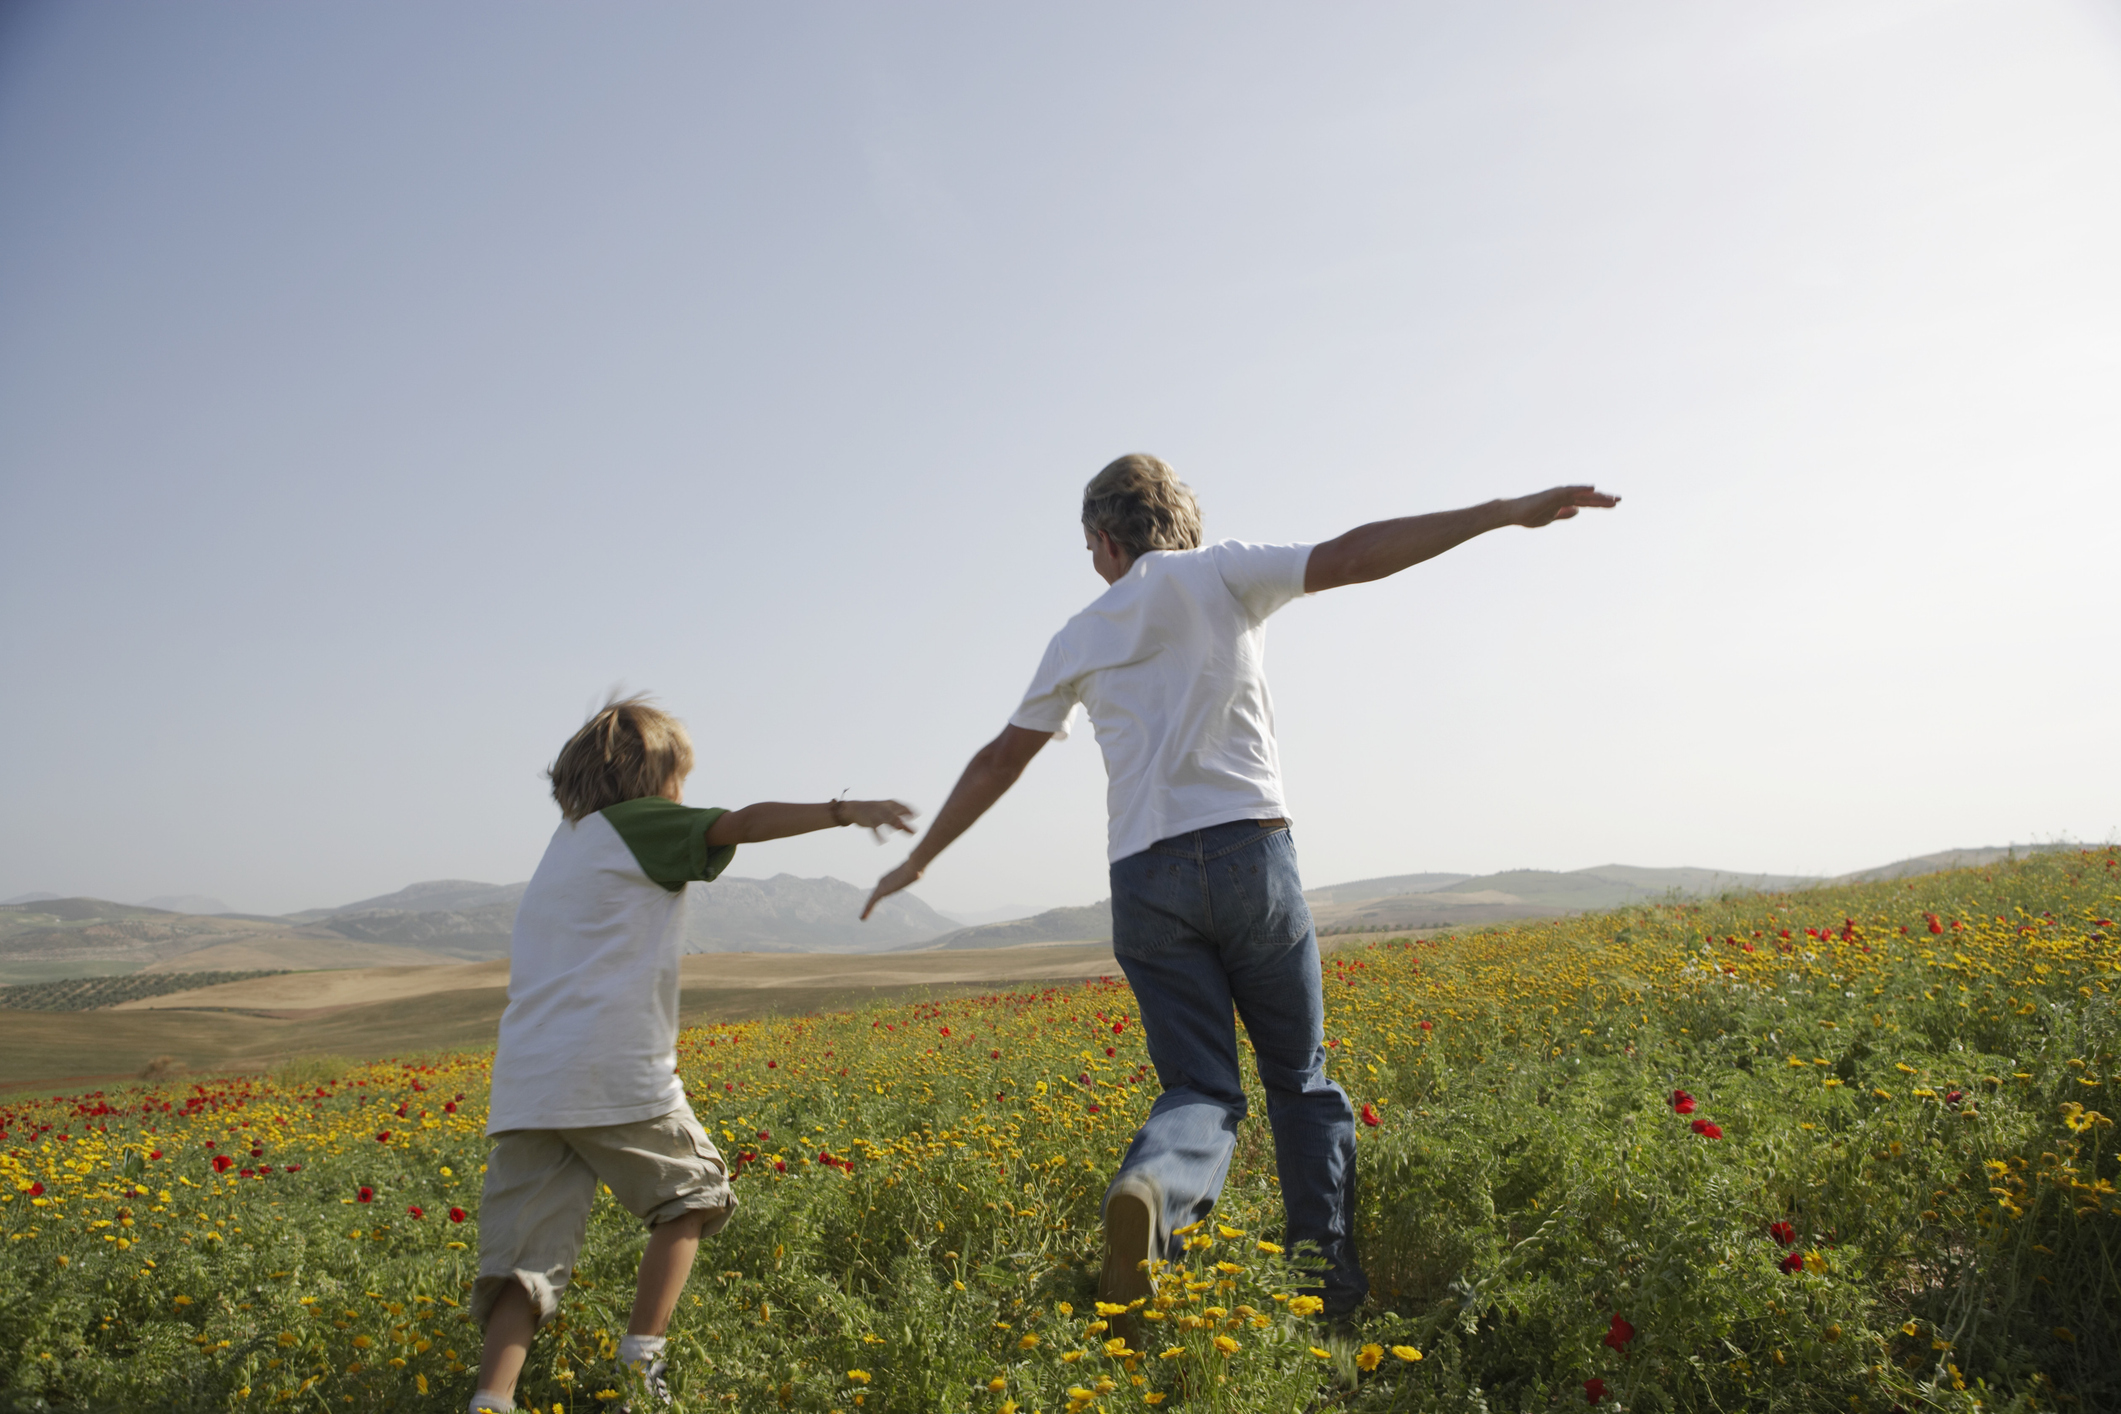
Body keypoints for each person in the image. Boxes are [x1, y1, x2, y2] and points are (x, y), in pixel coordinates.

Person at [862, 455, 1615, 1322]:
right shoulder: (1220, 570)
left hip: (1143, 878)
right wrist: (1496, 512)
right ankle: (1328, 1302)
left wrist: (919, 861)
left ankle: (1154, 1187)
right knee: (1298, 1080)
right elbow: (1353, 552)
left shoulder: (1077, 634)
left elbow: (1000, 760)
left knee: (1201, 1090)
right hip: (1249, 855)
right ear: (1176, 523)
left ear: (1104, 540)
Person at [469, 694, 915, 1413]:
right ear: (651, 779)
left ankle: (491, 1401)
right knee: (691, 1199)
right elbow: (744, 823)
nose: (685, 796)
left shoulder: (570, 843)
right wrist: (844, 810)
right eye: (680, 778)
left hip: (527, 1083)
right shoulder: (640, 824)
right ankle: (641, 1372)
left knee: (523, 1264)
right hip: (610, 1072)